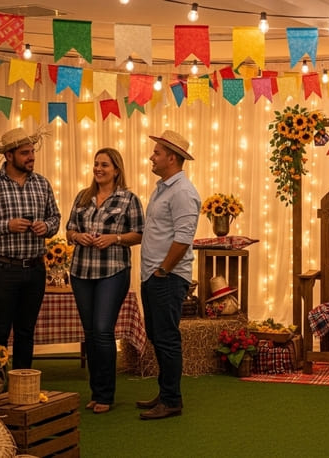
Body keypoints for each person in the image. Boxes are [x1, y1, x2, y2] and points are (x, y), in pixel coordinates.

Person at [0, 127, 61, 369]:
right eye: (25, 153)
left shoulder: (42, 184)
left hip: (35, 269)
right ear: (9, 155)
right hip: (3, 270)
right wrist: (6, 226)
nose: (31, 157)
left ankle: (22, 388)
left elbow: (55, 218)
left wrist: (46, 227)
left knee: (26, 332)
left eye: (32, 152)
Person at [65, 148, 144, 414]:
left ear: (116, 170)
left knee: (102, 330)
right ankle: (96, 391)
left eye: (105, 165)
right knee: (90, 333)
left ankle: (106, 394)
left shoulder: (128, 199)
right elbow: (69, 229)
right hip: (81, 272)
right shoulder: (83, 197)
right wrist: (78, 237)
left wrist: (115, 238)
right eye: (96, 164)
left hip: (113, 270)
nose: (98, 169)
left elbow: (139, 233)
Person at [136, 130, 200, 420]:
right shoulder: (164, 188)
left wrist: (164, 270)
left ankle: (172, 400)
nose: (152, 156)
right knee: (156, 335)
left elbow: (184, 238)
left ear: (171, 158)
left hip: (167, 276)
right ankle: (166, 392)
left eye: (157, 153)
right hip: (154, 275)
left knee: (166, 337)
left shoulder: (184, 192)